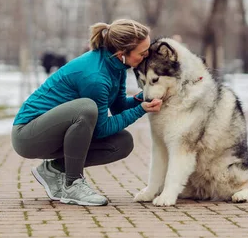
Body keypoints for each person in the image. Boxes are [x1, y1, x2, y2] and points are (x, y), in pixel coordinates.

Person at [12, 19, 162, 206]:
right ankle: (73, 184)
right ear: (122, 53)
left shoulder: (117, 67)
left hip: (54, 131)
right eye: (143, 53)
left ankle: (54, 169)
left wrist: (142, 98)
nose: (146, 57)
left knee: (122, 142)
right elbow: (100, 129)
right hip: (28, 135)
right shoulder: (95, 76)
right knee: (86, 108)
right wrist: (140, 110)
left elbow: (119, 106)